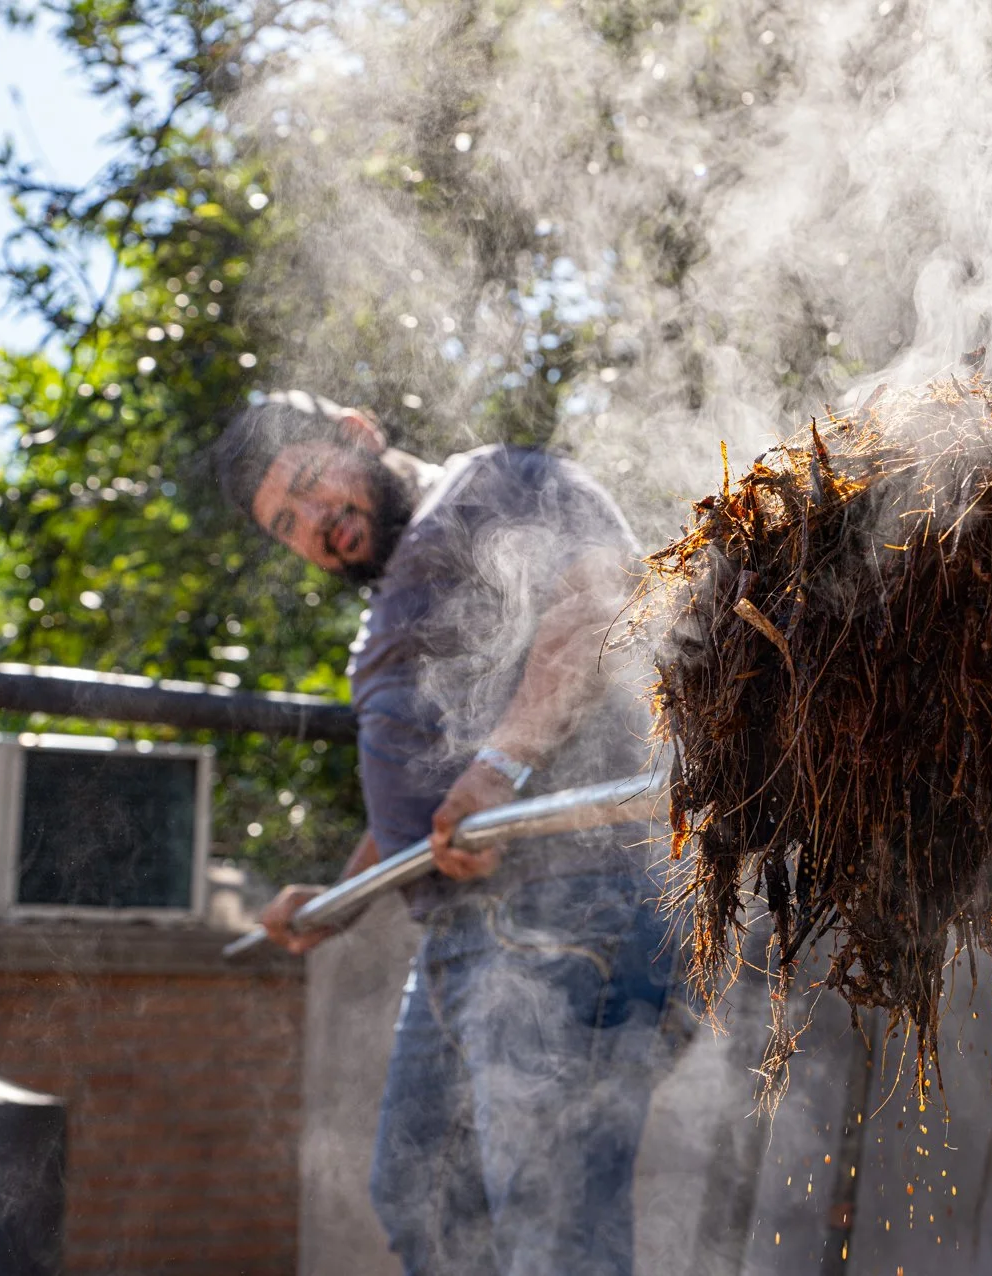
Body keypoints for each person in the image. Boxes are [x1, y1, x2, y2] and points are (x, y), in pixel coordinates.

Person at [215, 390, 675, 1276]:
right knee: (421, 1203)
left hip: (566, 908)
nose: (318, 523)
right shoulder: (388, 597)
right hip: (464, 937)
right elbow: (429, 809)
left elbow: (600, 596)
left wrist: (502, 766)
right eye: (288, 524)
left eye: (313, 482)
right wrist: (340, 900)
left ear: (358, 432)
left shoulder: (493, 483)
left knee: (553, 1226)